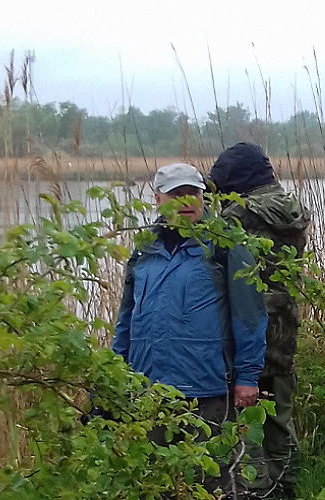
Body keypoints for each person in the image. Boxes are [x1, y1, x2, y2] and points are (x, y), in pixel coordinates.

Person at [112, 162, 268, 495]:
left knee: (213, 481)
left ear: (203, 197)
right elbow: (126, 315)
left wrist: (247, 377)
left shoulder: (224, 245)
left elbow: (249, 315)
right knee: (156, 480)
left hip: (206, 385)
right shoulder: (144, 248)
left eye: (192, 193)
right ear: (157, 198)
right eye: (175, 194)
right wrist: (113, 372)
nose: (185, 202)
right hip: (149, 388)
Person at [209, 143, 311, 500]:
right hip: (284, 327)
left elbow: (215, 263)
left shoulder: (236, 217)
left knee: (245, 423)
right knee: (280, 419)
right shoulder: (293, 209)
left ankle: (255, 491)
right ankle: (287, 488)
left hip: (246, 329)